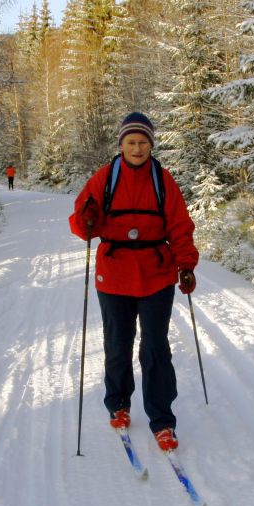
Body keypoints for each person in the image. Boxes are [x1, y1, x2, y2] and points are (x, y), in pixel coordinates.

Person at [69, 112, 199, 452]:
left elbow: (180, 226)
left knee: (155, 348)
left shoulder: (163, 180)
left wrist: (185, 264)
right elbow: (82, 224)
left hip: (156, 274)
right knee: (117, 343)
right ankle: (118, 404)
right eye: (131, 142)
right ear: (122, 145)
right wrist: (87, 220)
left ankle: (162, 421)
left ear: (151, 145)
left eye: (143, 142)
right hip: (114, 275)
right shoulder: (104, 178)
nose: (137, 148)